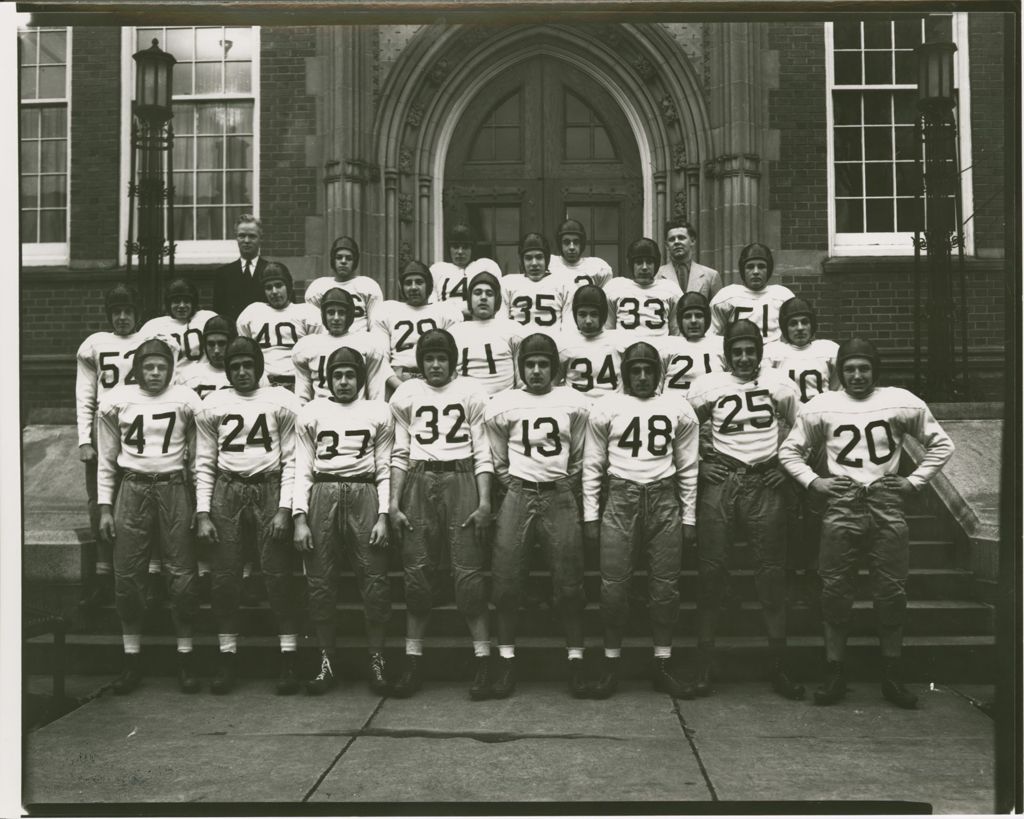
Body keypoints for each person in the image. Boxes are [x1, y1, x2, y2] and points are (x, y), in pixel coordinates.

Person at [779, 338, 955, 709]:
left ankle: (891, 674)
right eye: (850, 369)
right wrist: (816, 481)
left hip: (885, 500)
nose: (857, 375)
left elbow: (941, 444)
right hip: (841, 502)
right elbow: (789, 450)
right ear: (839, 372)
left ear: (875, 371)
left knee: (891, 590)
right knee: (835, 590)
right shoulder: (822, 406)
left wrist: (913, 481)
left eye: (864, 368)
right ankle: (834, 672)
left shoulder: (900, 400)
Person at [686, 319, 804, 700]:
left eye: (750, 351)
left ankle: (779, 665)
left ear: (760, 352)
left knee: (771, 574)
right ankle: (705, 665)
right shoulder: (707, 385)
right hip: (722, 481)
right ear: (726, 354)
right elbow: (683, 432)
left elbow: (806, 430)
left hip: (763, 481)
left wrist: (786, 468)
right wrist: (702, 462)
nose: (743, 358)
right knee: (711, 572)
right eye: (736, 352)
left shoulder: (781, 385)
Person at [582, 341, 701, 699]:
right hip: (620, 497)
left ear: (659, 373)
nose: (643, 377)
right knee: (613, 587)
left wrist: (689, 515)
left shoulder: (678, 408)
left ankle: (662, 661)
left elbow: (689, 466)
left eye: (649, 370)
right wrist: (590, 514)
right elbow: (592, 465)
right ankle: (611, 662)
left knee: (665, 588)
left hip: (664, 498)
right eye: (636, 370)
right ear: (625, 374)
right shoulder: (606, 408)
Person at [388, 330, 495, 699]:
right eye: (429, 358)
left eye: (442, 358)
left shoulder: (471, 392)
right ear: (420, 361)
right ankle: (412, 660)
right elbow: (399, 453)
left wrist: (484, 502)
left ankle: (484, 661)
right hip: (418, 479)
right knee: (416, 573)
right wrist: (393, 502)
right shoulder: (406, 394)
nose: (435, 365)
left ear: (453, 361)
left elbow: (483, 451)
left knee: (468, 572)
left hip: (461, 476)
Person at [483, 333, 591, 699]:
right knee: (507, 579)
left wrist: (564, 485)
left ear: (555, 369)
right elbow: (497, 458)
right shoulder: (504, 403)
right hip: (518, 492)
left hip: (559, 493)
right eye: (530, 364)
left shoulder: (574, 403)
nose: (536, 371)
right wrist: (514, 483)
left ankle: (576, 659)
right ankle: (506, 660)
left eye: (543, 364)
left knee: (570, 580)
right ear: (520, 367)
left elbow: (578, 454)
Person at [194, 337, 302, 695]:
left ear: (259, 366)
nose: (242, 372)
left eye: (248, 365)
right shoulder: (214, 404)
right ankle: (227, 656)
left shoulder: (282, 401)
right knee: (225, 576)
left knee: (277, 574)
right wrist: (203, 512)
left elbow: (292, 460)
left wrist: (285, 508)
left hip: (269, 487)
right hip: (227, 488)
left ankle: (289, 655)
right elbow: (204, 462)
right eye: (236, 366)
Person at [96, 337, 203, 694]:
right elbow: (107, 461)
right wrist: (105, 508)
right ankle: (131, 661)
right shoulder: (116, 402)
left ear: (171, 368)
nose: (155, 373)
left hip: (173, 487)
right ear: (137, 368)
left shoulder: (186, 400)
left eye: (161, 367)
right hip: (133, 486)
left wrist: (199, 505)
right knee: (127, 575)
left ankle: (186, 659)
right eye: (148, 367)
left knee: (182, 575)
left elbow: (198, 456)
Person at [292, 347, 394, 695]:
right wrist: (299, 517)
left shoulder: (377, 411)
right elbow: (301, 468)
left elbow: (383, 468)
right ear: (328, 379)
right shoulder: (311, 412)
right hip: (322, 494)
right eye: (338, 375)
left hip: (365, 494)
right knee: (320, 581)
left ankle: (377, 659)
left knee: (375, 580)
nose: (345, 381)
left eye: (350, 375)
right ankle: (326, 660)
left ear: (361, 379)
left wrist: (383, 514)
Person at [763, 296, 839, 606]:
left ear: (813, 325)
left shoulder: (826, 350)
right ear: (783, 327)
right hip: (789, 430)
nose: (799, 328)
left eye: (804, 322)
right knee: (789, 502)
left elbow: (835, 383)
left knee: (818, 501)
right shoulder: (774, 353)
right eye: (793, 323)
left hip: (821, 431)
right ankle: (791, 568)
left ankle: (814, 566)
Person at [76, 284, 144, 611]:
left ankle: (137, 576)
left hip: (138, 427)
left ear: (136, 314)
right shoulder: (94, 345)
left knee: (135, 500)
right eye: (116, 312)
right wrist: (83, 440)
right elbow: (85, 395)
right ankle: (104, 577)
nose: (121, 317)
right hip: (103, 426)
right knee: (99, 501)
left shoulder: (149, 342)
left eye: (127, 311)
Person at [292, 287, 398, 404]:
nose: (336, 318)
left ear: (350, 315)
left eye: (341, 313)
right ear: (323, 315)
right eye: (331, 313)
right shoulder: (308, 345)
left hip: (357, 413)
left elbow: (376, 393)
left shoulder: (367, 342)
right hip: (322, 413)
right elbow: (303, 395)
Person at [372, 260, 464, 381]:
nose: (413, 287)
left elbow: (454, 358)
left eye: (419, 282)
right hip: (398, 376)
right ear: (401, 287)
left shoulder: (445, 311)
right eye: (408, 283)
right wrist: (398, 385)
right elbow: (380, 358)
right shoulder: (388, 311)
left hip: (436, 378)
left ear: (429, 285)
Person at [236, 262, 321, 390]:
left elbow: (317, 354)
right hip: (264, 384)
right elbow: (245, 351)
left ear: (288, 286)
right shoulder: (252, 313)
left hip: (299, 383)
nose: (274, 291)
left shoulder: (307, 313)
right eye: (269, 287)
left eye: (279, 285)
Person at [448, 270, 524, 396]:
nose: (483, 297)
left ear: (497, 300)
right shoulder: (454, 332)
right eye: (477, 293)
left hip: (502, 404)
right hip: (466, 404)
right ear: (469, 299)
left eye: (489, 294)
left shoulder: (513, 329)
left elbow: (521, 379)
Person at [709, 242, 794, 342]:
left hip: (775, 354)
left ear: (769, 269)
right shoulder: (727, 296)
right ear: (743, 270)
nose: (756, 272)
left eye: (761, 266)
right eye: (750, 267)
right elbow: (712, 335)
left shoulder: (783, 295)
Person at [139, 277, 218, 383]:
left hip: (205, 379)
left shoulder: (207, 318)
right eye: (176, 301)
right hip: (172, 382)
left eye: (186, 301)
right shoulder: (154, 326)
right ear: (168, 304)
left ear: (194, 303)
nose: (181, 305)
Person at [557, 284, 628, 399]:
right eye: (582, 314)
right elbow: (554, 385)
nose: (588, 321)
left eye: (594, 314)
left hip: (611, 408)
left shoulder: (619, 341)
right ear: (575, 315)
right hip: (578, 409)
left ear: (604, 314)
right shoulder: (565, 343)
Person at [603, 237, 682, 338]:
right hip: (624, 350)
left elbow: (676, 333)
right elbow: (608, 330)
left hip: (660, 351)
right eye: (639, 262)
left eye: (649, 262)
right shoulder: (615, 287)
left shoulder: (670, 289)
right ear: (632, 264)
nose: (644, 267)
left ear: (656, 264)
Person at [303, 236, 383, 333]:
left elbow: (375, 324)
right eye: (339, 257)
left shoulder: (367, 285)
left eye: (349, 258)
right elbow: (314, 325)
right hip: (328, 342)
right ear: (333, 260)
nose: (343, 261)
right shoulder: (318, 286)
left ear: (355, 261)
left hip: (360, 341)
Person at [659, 291, 725, 398]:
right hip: (674, 408)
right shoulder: (666, 346)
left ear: (707, 319)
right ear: (680, 320)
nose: (693, 321)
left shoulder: (721, 345)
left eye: (699, 316)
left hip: (709, 406)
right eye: (687, 316)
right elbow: (657, 387)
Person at [501, 233, 571, 333]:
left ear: (546, 259)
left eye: (539, 257)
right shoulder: (508, 283)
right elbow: (501, 322)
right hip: (518, 345)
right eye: (528, 258)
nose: (534, 263)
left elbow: (569, 325)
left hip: (553, 345)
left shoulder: (563, 284)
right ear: (522, 260)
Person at [212, 214, 269, 323]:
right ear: (236, 238)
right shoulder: (222, 274)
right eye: (242, 236)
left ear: (261, 238)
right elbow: (219, 314)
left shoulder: (271, 271)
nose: (246, 240)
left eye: (252, 236)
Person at [429, 223, 503, 304]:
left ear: (472, 249)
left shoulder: (485, 267)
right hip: (445, 315)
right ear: (449, 249)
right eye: (455, 247)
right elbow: (431, 304)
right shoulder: (438, 270)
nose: (460, 252)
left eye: (465, 247)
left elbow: (497, 300)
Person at [654, 219, 722, 300]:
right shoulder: (656, 276)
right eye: (672, 239)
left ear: (692, 241)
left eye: (681, 238)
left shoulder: (710, 276)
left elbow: (717, 310)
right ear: (666, 245)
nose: (676, 242)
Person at [547, 218, 613, 290]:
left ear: (582, 244)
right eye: (566, 242)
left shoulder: (597, 267)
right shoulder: (550, 263)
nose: (571, 247)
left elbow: (604, 297)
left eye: (576, 242)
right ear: (560, 244)